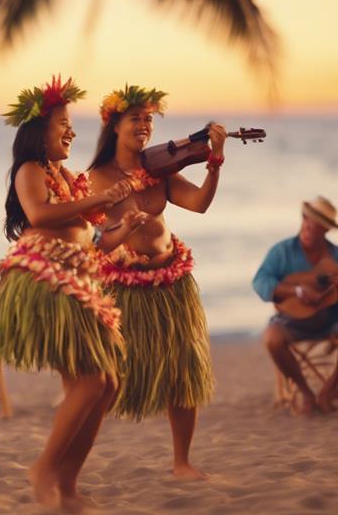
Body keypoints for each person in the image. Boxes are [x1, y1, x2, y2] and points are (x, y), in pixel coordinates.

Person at [0, 75, 148, 510]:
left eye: (71, 123)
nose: (72, 131)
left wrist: (121, 228)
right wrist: (97, 200)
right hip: (48, 282)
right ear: (39, 131)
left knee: (109, 383)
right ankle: (43, 469)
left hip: (79, 280)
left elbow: (94, 242)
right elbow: (40, 213)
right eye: (63, 123)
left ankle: (67, 480)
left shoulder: (65, 176)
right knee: (91, 380)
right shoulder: (29, 171)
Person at [87, 85, 221, 480]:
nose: (145, 126)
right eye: (136, 119)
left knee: (183, 370)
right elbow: (93, 237)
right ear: (113, 125)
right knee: (104, 379)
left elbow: (199, 203)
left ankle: (182, 462)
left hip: (171, 283)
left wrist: (214, 164)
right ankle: (74, 456)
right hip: (126, 287)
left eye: (149, 119)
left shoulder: (160, 170)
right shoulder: (98, 178)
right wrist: (119, 238)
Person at [252, 196, 338, 414]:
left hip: (332, 318)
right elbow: (260, 282)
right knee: (272, 338)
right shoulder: (282, 251)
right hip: (292, 320)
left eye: (314, 227)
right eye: (306, 222)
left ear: (325, 230)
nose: (307, 229)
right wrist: (294, 291)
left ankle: (330, 386)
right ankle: (306, 391)